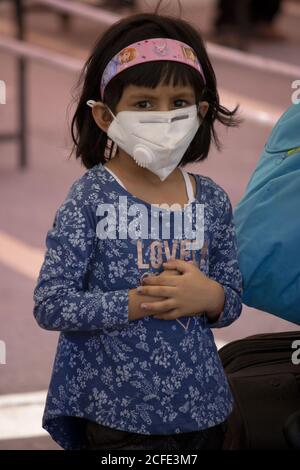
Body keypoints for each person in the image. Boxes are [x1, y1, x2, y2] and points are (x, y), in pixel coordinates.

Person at [32, 12, 243, 451]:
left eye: (178, 102)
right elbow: (52, 304)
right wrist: (138, 302)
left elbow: (232, 298)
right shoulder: (90, 197)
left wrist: (212, 297)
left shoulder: (212, 200)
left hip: (201, 409)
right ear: (106, 117)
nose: (164, 118)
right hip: (113, 415)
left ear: (200, 112)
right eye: (144, 103)